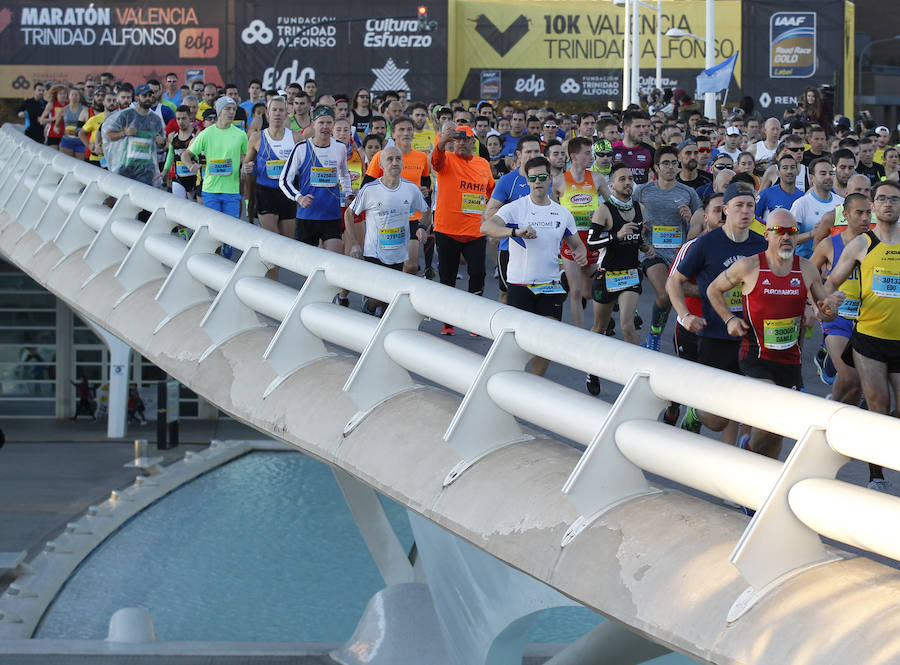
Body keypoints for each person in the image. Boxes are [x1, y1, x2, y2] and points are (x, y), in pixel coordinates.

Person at [706, 208, 838, 458]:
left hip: (790, 361)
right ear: (767, 234)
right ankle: (745, 456)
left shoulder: (807, 269)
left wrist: (830, 308)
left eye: (791, 231)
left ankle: (753, 465)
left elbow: (825, 312)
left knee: (775, 433)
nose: (786, 236)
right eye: (779, 231)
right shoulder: (749, 266)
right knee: (773, 409)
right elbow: (713, 289)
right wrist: (729, 318)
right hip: (755, 357)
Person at [666, 182, 768, 443]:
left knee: (750, 403)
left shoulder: (761, 245)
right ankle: (697, 413)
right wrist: (685, 316)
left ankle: (739, 455)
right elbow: (674, 282)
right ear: (725, 209)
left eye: (750, 206)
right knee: (717, 418)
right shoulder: (706, 244)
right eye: (739, 206)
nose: (745, 211)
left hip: (752, 337)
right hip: (715, 336)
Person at [823, 180, 900, 491]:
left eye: (894, 199)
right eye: (881, 199)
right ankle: (876, 476)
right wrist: (830, 302)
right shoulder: (861, 245)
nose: (888, 204)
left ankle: (860, 424)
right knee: (880, 403)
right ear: (874, 206)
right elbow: (831, 283)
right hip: (869, 338)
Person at [481, 156, 586, 376]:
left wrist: (581, 255)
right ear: (527, 181)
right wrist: (514, 232)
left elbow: (576, 244)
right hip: (521, 285)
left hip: (551, 285)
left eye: (541, 177)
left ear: (549, 178)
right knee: (519, 343)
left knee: (548, 339)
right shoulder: (516, 208)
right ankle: (511, 378)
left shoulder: (562, 213)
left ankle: (535, 381)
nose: (537, 182)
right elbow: (487, 227)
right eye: (532, 178)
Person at [583, 163, 649, 394]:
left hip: (630, 274)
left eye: (630, 178)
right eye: (622, 179)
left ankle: (639, 375)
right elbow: (591, 242)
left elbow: (635, 238)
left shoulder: (639, 208)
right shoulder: (604, 210)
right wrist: (615, 235)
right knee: (599, 327)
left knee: (627, 325)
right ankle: (592, 369)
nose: (628, 182)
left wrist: (645, 246)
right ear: (611, 185)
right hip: (607, 274)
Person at [347, 145, 430, 315]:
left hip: (399, 253)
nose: (394, 163)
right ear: (381, 165)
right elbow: (349, 214)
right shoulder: (370, 190)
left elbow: (427, 211)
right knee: (379, 296)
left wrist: (422, 227)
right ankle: (369, 305)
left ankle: (381, 330)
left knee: (389, 302)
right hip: (374, 252)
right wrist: (355, 244)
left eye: (398, 159)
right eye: (389, 159)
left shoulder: (411, 189)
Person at [634, 146, 702, 350]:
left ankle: (689, 336)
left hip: (678, 252)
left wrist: (690, 219)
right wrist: (640, 227)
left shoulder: (688, 193)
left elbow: (700, 223)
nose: (671, 167)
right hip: (652, 251)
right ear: (656, 167)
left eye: (674, 163)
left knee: (679, 295)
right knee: (665, 294)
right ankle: (654, 336)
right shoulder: (643, 191)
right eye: (666, 163)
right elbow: (631, 216)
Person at [431, 122, 494, 335]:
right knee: (447, 276)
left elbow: (491, 190)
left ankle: (473, 320)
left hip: (475, 231)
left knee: (478, 273)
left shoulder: (483, 164)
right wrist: (443, 141)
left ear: (472, 142)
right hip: (447, 229)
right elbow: (435, 161)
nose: (460, 143)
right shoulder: (446, 159)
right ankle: (448, 321)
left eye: (465, 139)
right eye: (456, 139)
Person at [810, 193, 871, 402]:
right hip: (837, 318)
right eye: (859, 213)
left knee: (856, 387)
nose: (865, 218)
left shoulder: (876, 245)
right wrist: (816, 306)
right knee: (849, 376)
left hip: (867, 319)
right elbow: (808, 274)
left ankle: (843, 417)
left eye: (868, 213)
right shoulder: (829, 244)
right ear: (845, 215)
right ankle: (830, 411)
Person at [552, 136, 611, 330]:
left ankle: (598, 327)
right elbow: (550, 210)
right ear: (574, 156)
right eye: (587, 153)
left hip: (593, 240)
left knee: (590, 292)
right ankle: (581, 334)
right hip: (571, 241)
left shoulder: (596, 178)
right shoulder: (559, 181)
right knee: (576, 292)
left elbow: (613, 204)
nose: (591, 157)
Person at [362, 115, 431, 275]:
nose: (406, 133)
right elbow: (366, 187)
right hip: (386, 217)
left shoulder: (421, 157)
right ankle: (374, 295)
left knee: (411, 266)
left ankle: (400, 297)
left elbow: (426, 187)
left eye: (409, 129)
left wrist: (425, 191)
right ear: (393, 134)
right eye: (401, 130)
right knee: (384, 265)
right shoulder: (381, 156)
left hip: (412, 217)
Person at [279, 106, 352, 255]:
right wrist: (299, 198)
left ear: (333, 124)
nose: (325, 127)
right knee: (307, 264)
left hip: (331, 215)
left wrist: (348, 193)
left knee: (334, 260)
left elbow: (344, 175)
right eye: (321, 123)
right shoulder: (301, 148)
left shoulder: (340, 147)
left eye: (329, 122)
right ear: (313, 123)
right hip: (307, 216)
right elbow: (284, 180)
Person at [242, 96, 300, 275]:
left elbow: (303, 167)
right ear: (267, 114)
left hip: (288, 194)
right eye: (274, 110)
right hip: (265, 192)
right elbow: (246, 166)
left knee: (287, 244)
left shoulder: (296, 138)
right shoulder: (257, 137)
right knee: (272, 243)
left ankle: (277, 277)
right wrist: (247, 167)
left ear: (286, 114)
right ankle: (273, 284)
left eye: (281, 110)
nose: (277, 113)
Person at [482, 135, 542, 305]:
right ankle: (502, 330)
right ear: (519, 154)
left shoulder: (547, 180)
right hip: (510, 248)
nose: (532, 155)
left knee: (536, 298)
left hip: (539, 248)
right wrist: (513, 221)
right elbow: (490, 213)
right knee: (507, 295)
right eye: (528, 152)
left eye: (536, 151)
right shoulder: (508, 180)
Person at [181, 96, 249, 229]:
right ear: (219, 111)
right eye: (227, 109)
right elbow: (186, 154)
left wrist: (246, 165)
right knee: (213, 229)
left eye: (234, 109)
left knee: (230, 230)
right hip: (210, 189)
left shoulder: (240, 135)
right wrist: (190, 166)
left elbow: (247, 157)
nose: (231, 112)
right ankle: (215, 251)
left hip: (231, 190)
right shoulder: (207, 133)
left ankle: (228, 250)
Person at [104, 84, 166, 185]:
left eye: (150, 96)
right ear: (137, 97)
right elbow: (109, 135)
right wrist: (125, 133)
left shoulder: (156, 120)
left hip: (146, 170)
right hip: (126, 166)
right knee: (120, 194)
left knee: (142, 198)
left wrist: (161, 142)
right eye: (144, 96)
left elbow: (163, 144)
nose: (148, 98)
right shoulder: (127, 115)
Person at [789, 157, 843, 259]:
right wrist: (811, 234)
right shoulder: (801, 204)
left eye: (831, 173)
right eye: (823, 174)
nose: (828, 177)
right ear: (812, 177)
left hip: (834, 264)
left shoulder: (842, 202)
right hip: (806, 264)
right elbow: (789, 238)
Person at [612, 110, 654, 185]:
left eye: (643, 127)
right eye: (638, 127)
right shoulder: (612, 149)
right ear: (626, 128)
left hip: (641, 195)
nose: (642, 130)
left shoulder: (649, 150)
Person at [755, 153, 803, 220]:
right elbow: (754, 217)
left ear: (797, 172)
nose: (789, 171)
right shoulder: (766, 194)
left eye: (792, 167)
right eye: (785, 168)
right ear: (778, 173)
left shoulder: (802, 197)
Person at [57, 87, 89, 158]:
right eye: (72, 94)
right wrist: (57, 129)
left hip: (80, 140)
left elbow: (88, 125)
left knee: (80, 165)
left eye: (76, 95)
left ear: (79, 97)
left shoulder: (85, 109)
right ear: (69, 96)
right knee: (67, 164)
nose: (74, 96)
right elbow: (57, 125)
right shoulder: (63, 110)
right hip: (67, 140)